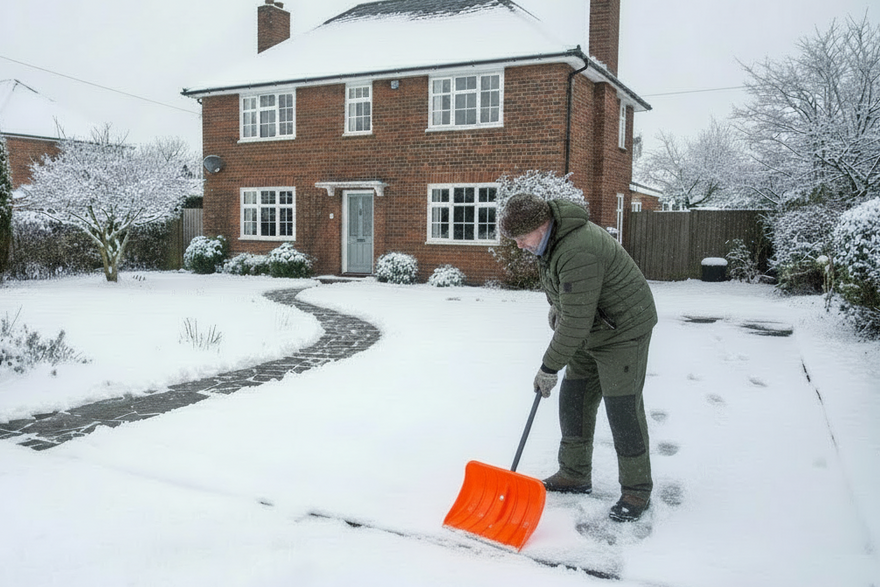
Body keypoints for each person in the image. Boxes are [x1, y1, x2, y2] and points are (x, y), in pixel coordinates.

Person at [498, 192, 658, 522]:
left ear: (541, 226)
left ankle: (637, 490)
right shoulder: (551, 242)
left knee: (622, 407)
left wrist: (548, 367)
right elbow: (570, 298)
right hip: (594, 327)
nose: (519, 246)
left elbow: (576, 321)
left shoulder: (577, 247)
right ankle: (574, 473)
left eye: (521, 238)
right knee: (575, 397)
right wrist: (560, 306)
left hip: (623, 331)